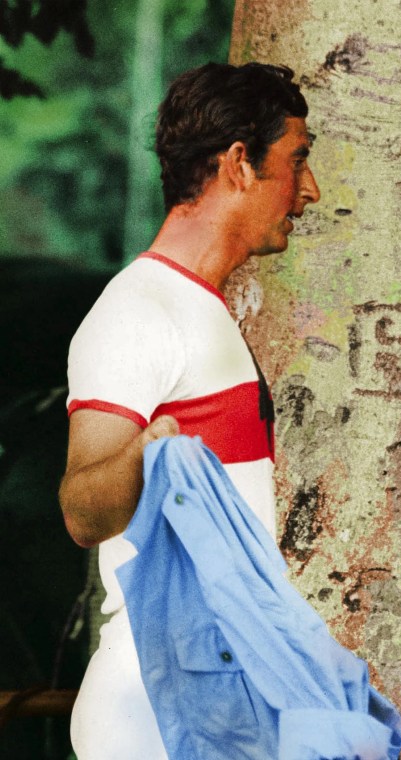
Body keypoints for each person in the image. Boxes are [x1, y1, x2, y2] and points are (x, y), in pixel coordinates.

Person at [59, 62, 320, 758]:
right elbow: (83, 510)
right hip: (153, 714)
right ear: (239, 163)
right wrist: (147, 453)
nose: (310, 191)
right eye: (297, 161)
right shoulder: (137, 311)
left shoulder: (200, 309)